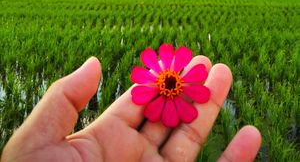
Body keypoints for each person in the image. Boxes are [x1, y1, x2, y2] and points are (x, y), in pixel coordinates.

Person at [1, 56, 261, 162]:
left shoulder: (181, 89)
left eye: (172, 81)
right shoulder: (153, 88)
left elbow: (196, 100)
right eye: (168, 81)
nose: (170, 81)